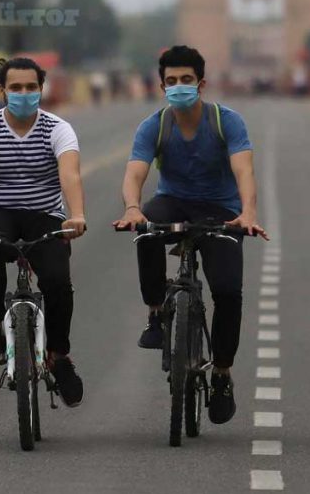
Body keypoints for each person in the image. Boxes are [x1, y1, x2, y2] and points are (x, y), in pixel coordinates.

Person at [114, 45, 268, 425]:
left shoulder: (225, 121)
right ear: (161, 85)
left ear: (201, 84)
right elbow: (135, 173)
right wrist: (132, 208)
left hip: (221, 210)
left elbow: (244, 171)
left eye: (186, 80)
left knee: (229, 292)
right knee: (146, 230)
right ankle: (155, 312)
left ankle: (222, 374)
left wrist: (247, 213)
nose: (179, 87)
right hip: (174, 201)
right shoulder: (155, 125)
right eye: (171, 81)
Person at [0, 57, 88, 407]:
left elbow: (69, 175)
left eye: (30, 87)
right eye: (15, 88)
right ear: (2, 90)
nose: (24, 94)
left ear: (41, 89)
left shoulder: (58, 129)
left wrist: (77, 215)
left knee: (57, 281)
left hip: (45, 216)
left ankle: (59, 355)